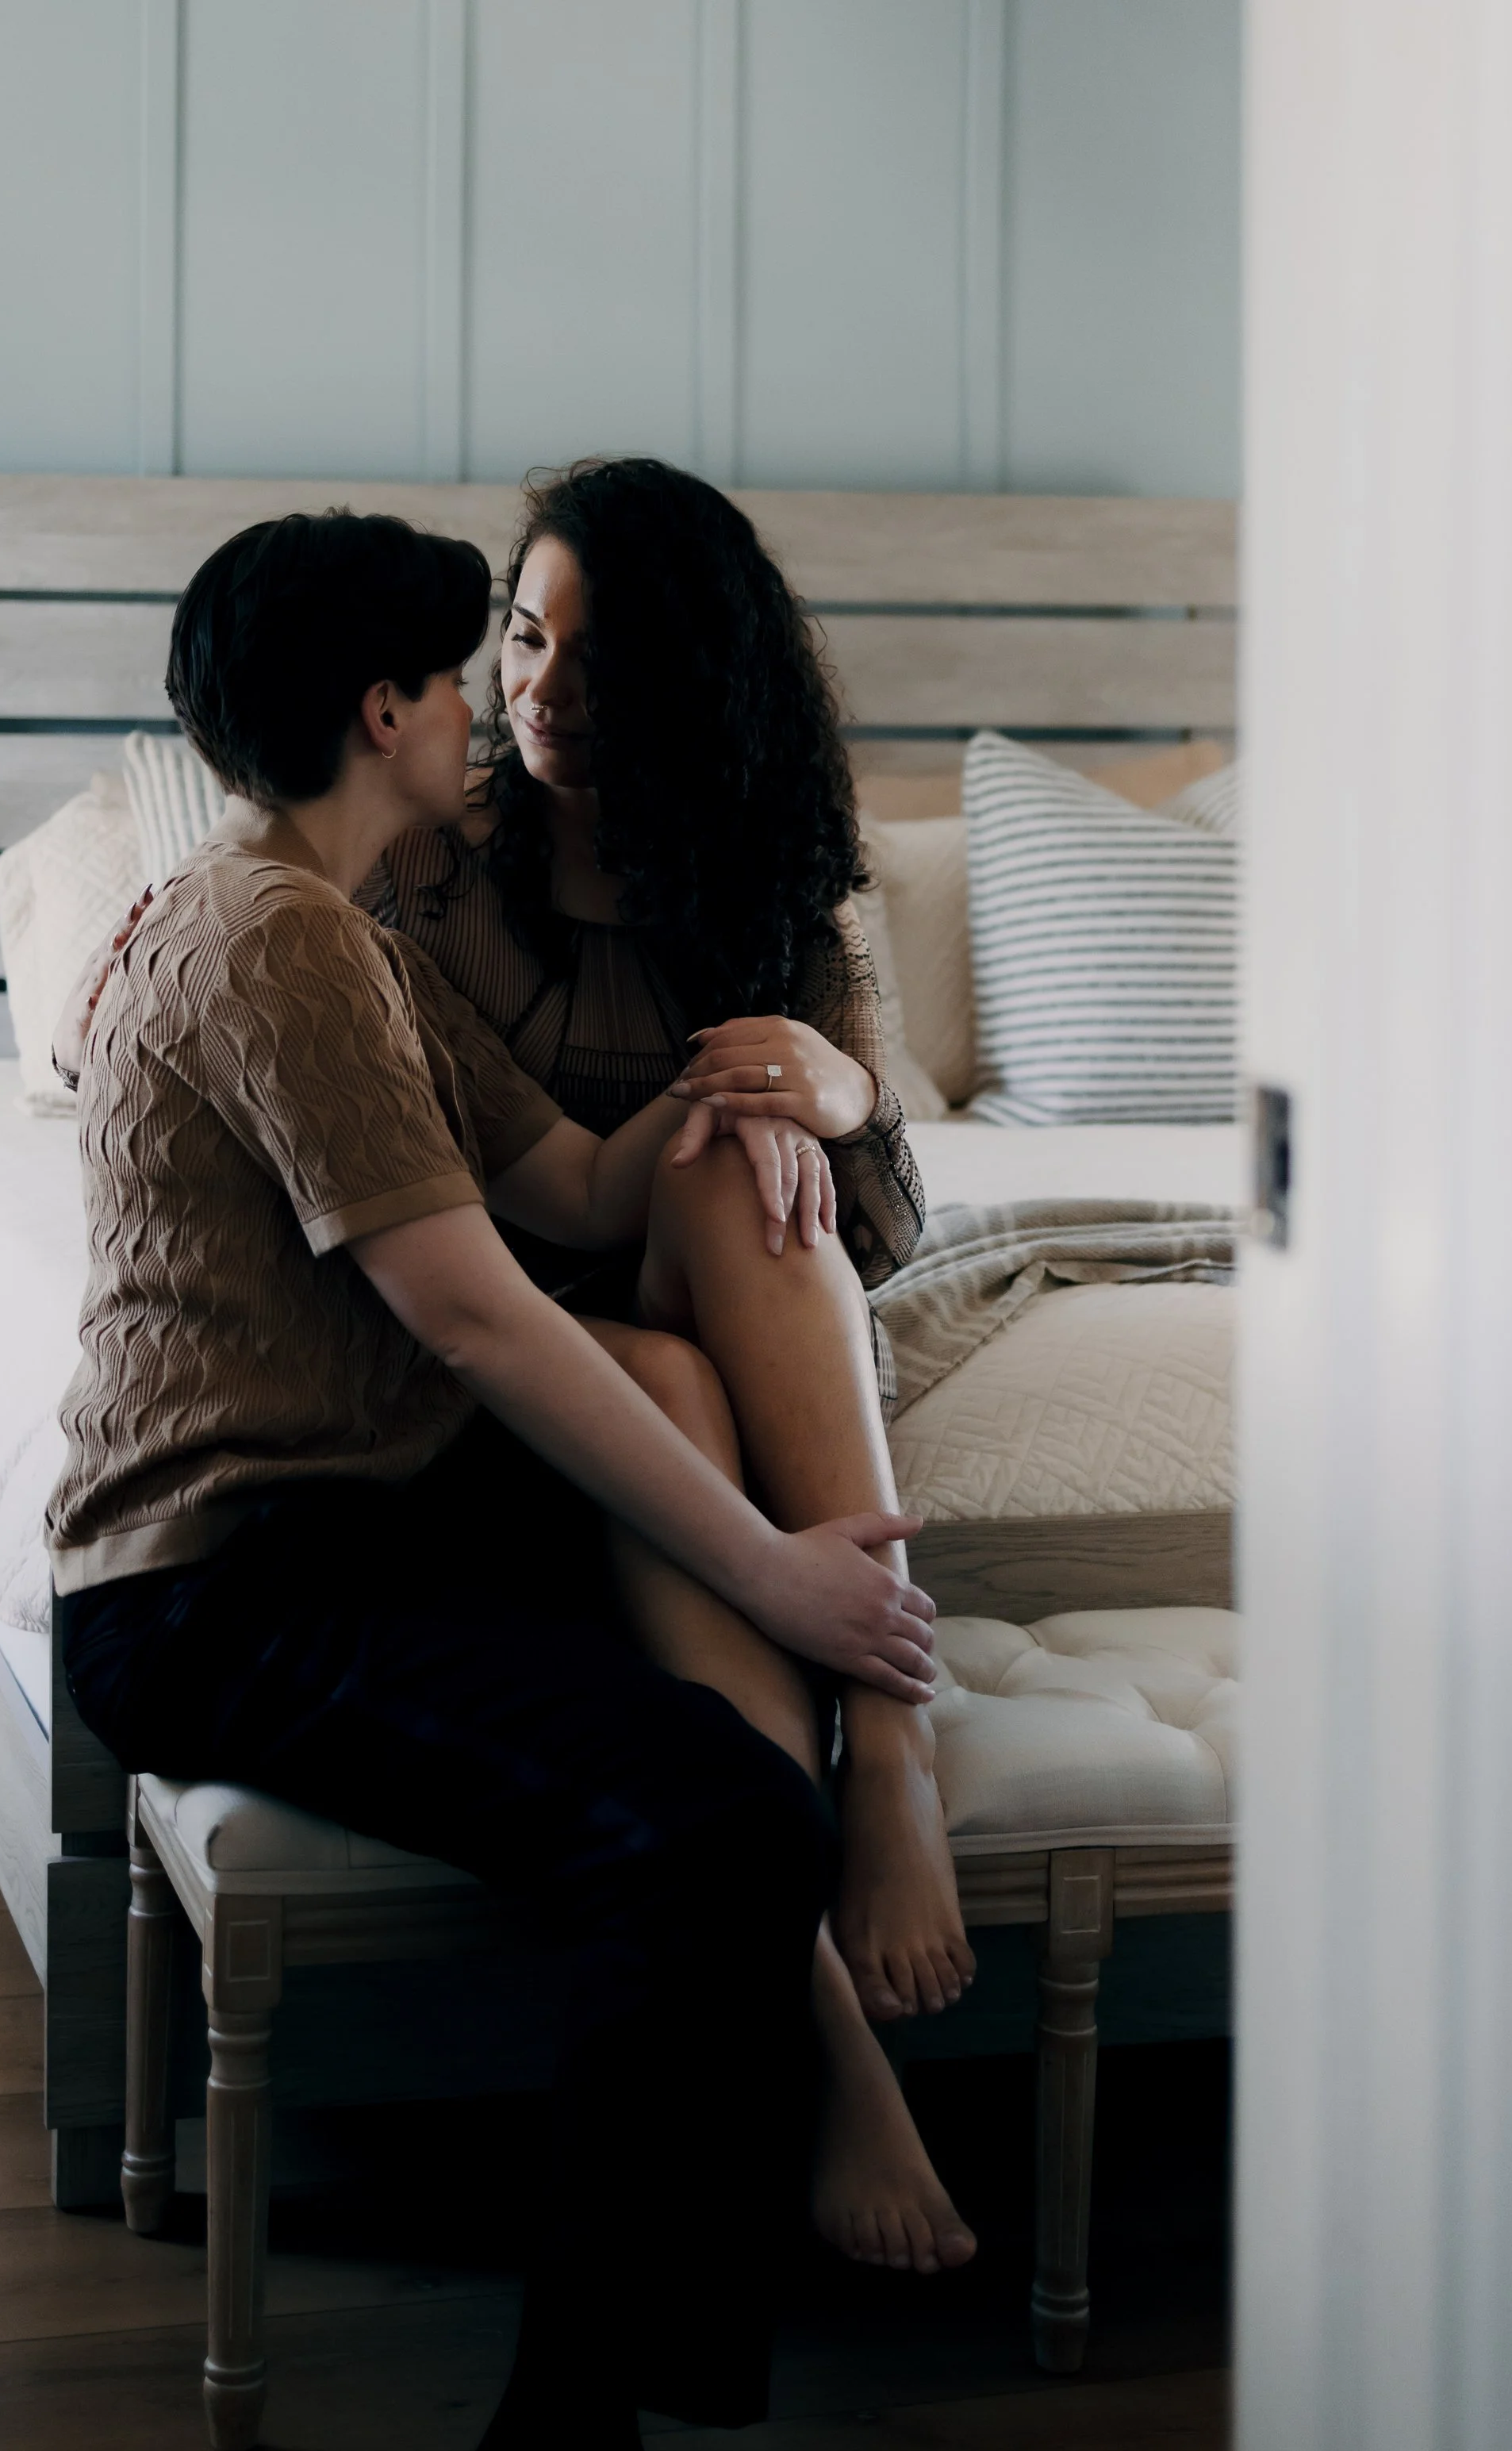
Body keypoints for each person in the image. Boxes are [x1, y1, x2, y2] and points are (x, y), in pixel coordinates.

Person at [49, 509, 963, 2451]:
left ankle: (619, 2374)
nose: (493, 707)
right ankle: (568, 2433)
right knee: (723, 1813)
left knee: (706, 1775)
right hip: (217, 1579)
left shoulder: (344, 934)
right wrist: (772, 1571)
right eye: (469, 671)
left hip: (372, 1523)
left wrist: (789, 1100)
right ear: (385, 711)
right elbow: (469, 1306)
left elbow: (565, 1176)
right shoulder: (274, 942)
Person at [359, 458, 980, 2043]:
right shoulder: (428, 862)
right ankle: (810, 1911)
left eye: (593, 650)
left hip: (749, 1279)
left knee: (734, 1172)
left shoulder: (771, 860)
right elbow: (427, 1179)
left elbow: (892, 1231)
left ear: (692, 670)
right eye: (522, 637)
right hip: (527, 1325)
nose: (541, 688)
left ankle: (887, 1747)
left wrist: (835, 1088)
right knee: (702, 1222)